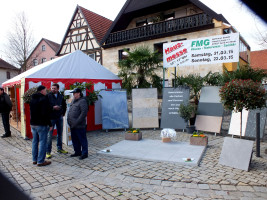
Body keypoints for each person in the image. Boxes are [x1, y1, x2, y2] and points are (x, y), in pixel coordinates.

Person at [30, 85, 52, 166]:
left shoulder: (32, 99)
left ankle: (34, 159)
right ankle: (40, 161)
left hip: (33, 123)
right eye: (45, 90)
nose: (46, 92)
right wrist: (50, 124)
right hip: (41, 124)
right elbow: (45, 113)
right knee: (43, 142)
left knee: (35, 142)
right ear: (42, 91)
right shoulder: (44, 99)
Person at [46, 83, 67, 159]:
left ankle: (59, 148)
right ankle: (48, 152)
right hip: (51, 118)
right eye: (52, 88)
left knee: (60, 134)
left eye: (54, 88)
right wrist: (53, 108)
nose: (52, 89)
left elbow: (64, 105)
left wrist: (63, 113)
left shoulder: (61, 96)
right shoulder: (48, 96)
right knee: (49, 135)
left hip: (59, 117)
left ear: (58, 89)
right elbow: (46, 107)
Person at [67, 88, 88, 160]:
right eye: (73, 93)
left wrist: (76, 122)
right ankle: (77, 152)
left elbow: (83, 113)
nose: (73, 94)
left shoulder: (82, 101)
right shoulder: (73, 101)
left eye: (74, 93)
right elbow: (70, 111)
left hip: (79, 125)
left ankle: (84, 153)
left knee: (82, 139)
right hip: (72, 125)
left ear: (79, 93)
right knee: (75, 140)